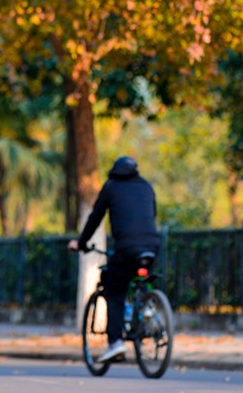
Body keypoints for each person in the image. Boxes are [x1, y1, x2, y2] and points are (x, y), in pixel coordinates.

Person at [68, 156, 162, 363]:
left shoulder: (111, 187)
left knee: (114, 290)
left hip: (126, 247)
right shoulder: (146, 186)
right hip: (153, 244)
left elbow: (95, 217)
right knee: (144, 277)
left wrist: (81, 242)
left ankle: (115, 343)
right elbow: (151, 213)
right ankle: (149, 309)